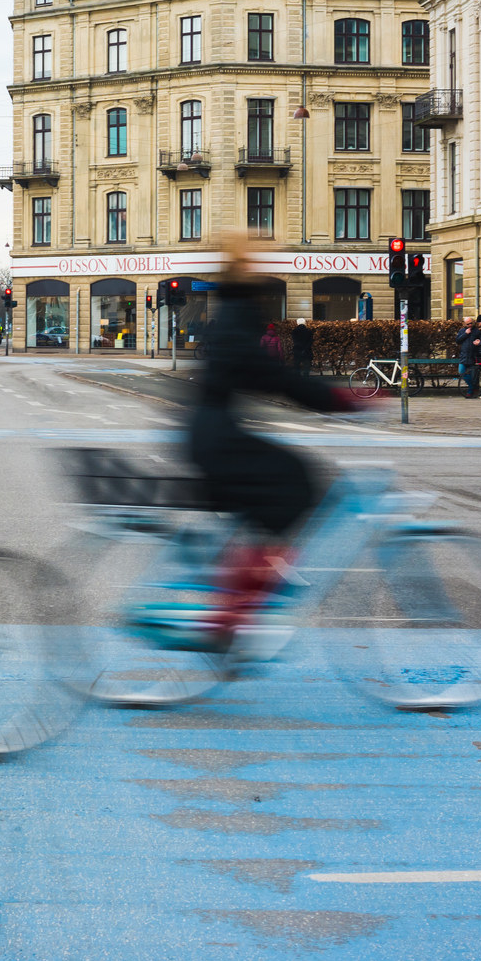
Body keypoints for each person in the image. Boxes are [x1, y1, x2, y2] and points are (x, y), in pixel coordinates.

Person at [172, 233, 366, 650]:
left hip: (212, 431)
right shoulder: (237, 314)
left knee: (276, 502)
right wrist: (337, 398)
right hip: (215, 436)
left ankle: (239, 603)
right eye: (257, 261)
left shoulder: (232, 309)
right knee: (299, 482)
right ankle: (232, 613)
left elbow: (264, 373)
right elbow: (272, 376)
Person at [455, 317, 479, 397]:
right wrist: (465, 334)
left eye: (471, 323)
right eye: (468, 324)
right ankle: (472, 387)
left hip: (473, 356)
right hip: (464, 355)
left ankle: (470, 390)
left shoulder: (476, 331)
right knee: (461, 371)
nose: (470, 325)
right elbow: (458, 340)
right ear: (465, 324)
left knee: (473, 375)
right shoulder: (462, 330)